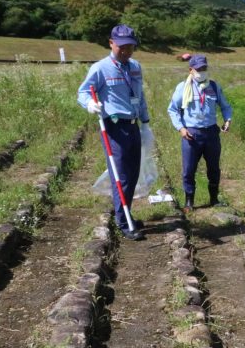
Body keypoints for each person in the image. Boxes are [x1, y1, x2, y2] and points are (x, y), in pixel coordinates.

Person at [77, 24, 151, 241]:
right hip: (114, 128)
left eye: (130, 47)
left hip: (133, 125)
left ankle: (126, 214)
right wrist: (90, 103)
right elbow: (82, 92)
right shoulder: (100, 68)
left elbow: (140, 95)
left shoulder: (135, 66)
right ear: (111, 43)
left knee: (133, 172)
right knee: (122, 176)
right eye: (122, 47)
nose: (126, 51)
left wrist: (145, 122)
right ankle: (122, 221)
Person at [167, 54, 232, 211]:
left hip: (211, 133)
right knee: (189, 170)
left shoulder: (214, 86)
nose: (202, 71)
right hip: (191, 134)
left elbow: (225, 106)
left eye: (204, 68)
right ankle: (189, 202)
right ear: (191, 70)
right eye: (198, 69)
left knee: (214, 168)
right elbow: (173, 109)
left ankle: (214, 199)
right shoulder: (183, 87)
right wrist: (181, 129)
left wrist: (227, 120)